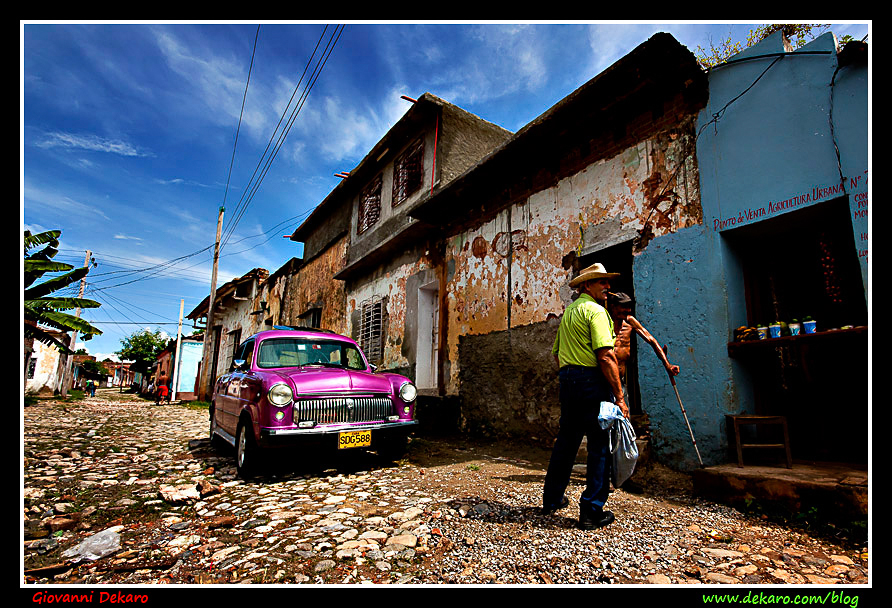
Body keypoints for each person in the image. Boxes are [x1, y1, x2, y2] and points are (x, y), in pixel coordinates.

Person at [542, 262, 627, 530]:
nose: (608, 286)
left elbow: (557, 353)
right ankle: (591, 510)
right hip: (592, 381)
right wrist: (620, 397)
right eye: (602, 282)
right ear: (586, 286)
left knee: (566, 442)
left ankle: (552, 498)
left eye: (607, 281)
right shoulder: (597, 312)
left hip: (569, 380)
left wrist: (572, 376)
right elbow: (605, 355)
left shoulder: (569, 314)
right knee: (599, 445)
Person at [607, 292, 679, 396]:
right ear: (613, 307)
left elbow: (651, 340)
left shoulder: (629, 321)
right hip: (604, 381)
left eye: (629, 307)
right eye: (624, 307)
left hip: (620, 380)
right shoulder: (603, 321)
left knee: (624, 410)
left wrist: (667, 365)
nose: (628, 310)